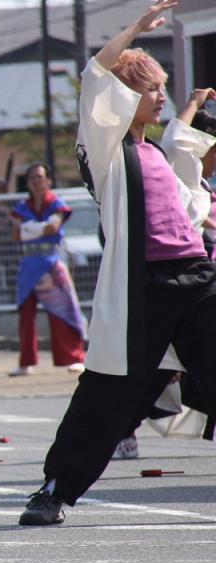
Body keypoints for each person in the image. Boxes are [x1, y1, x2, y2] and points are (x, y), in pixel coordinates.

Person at [19, 0, 216, 526]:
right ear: (124, 97)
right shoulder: (108, 153)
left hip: (197, 278)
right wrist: (135, 29)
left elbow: (185, 155)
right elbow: (95, 76)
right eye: (152, 89)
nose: (161, 98)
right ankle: (54, 491)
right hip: (143, 289)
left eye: (161, 88)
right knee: (108, 395)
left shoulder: (154, 153)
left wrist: (194, 108)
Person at [111, 87, 216, 461]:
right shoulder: (177, 167)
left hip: (199, 283)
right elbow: (175, 137)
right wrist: (192, 102)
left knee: (191, 368)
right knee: (154, 371)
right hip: (170, 281)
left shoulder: (201, 186)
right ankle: (120, 429)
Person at [8, 163, 88, 377]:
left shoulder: (57, 204)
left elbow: (54, 227)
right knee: (26, 313)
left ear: (48, 181)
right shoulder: (22, 206)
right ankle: (26, 362)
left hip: (51, 263)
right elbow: (16, 234)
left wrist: (28, 228)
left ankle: (75, 357)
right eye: (32, 178)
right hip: (29, 265)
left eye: (40, 177)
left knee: (64, 310)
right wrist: (40, 228)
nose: (36, 181)